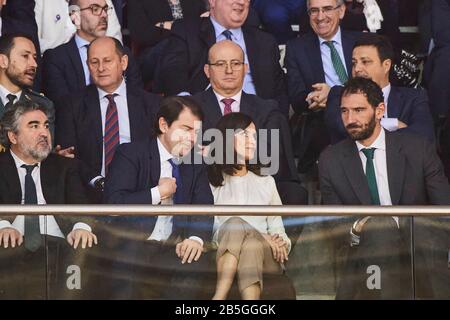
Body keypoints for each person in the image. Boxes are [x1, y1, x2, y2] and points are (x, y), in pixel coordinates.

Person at [318, 77, 450, 299]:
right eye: (344, 111)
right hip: (365, 247)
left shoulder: (418, 149)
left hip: (419, 241)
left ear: (380, 111)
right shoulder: (331, 159)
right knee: (380, 228)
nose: (350, 119)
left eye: (359, 110)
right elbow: (333, 224)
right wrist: (358, 228)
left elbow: (443, 209)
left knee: (421, 231)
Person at [102, 96, 214, 299]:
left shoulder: (195, 164)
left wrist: (196, 239)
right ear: (164, 125)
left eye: (197, 132)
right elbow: (113, 203)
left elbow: (205, 207)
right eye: (186, 129)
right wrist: (158, 193)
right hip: (133, 242)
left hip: (173, 247)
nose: (192, 138)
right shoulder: (131, 153)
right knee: (129, 256)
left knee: (195, 260)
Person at [0, 100, 97, 299]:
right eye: (34, 126)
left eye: (46, 125)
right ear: (13, 136)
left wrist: (81, 227)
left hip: (58, 248)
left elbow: (80, 205)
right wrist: (1, 225)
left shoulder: (63, 166)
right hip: (11, 248)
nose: (44, 132)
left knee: (86, 250)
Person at [55, 36, 161, 203]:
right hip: (90, 194)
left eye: (107, 61)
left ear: (123, 63)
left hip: (141, 195)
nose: (101, 68)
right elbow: (69, 158)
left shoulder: (152, 104)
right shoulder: (71, 105)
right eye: (94, 62)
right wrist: (97, 181)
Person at [208, 112, 292, 300]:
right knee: (250, 243)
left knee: (239, 226)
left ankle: (218, 299)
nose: (251, 140)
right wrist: (259, 235)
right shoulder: (212, 183)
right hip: (225, 254)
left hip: (269, 258)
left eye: (254, 135)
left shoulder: (266, 181)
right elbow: (213, 232)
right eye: (244, 134)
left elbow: (280, 234)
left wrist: (277, 241)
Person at [158, 0, 289, 116]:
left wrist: (273, 122)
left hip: (257, 124)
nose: (241, 2)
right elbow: (173, 75)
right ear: (212, 1)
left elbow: (280, 94)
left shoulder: (265, 41)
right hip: (204, 121)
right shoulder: (187, 32)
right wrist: (187, 112)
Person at [285, 0, 361, 172]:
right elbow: (297, 98)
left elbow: (373, 86)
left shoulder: (360, 41)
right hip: (322, 122)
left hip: (364, 117)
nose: (320, 17)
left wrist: (334, 94)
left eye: (327, 9)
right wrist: (316, 98)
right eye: (314, 11)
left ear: (341, 11)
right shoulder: (296, 48)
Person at [325, 33, 435, 144]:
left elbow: (424, 135)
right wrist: (394, 123)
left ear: (386, 65)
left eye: (365, 62)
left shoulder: (414, 98)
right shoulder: (339, 95)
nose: (357, 69)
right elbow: (342, 128)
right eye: (354, 63)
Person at [42, 0, 142, 105]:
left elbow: (136, 100)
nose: (104, 15)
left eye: (105, 9)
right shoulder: (56, 59)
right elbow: (62, 107)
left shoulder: (123, 53)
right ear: (74, 15)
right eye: (95, 9)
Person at [0, 33, 55, 136]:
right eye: (25, 56)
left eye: (34, 58)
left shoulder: (43, 104)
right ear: (3, 61)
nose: (34, 64)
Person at [35, 0, 122, 54]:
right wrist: (73, 42)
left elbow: (117, 46)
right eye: (95, 9)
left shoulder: (103, 2)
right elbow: (33, 44)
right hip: (49, 65)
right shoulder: (42, 2)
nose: (104, 14)